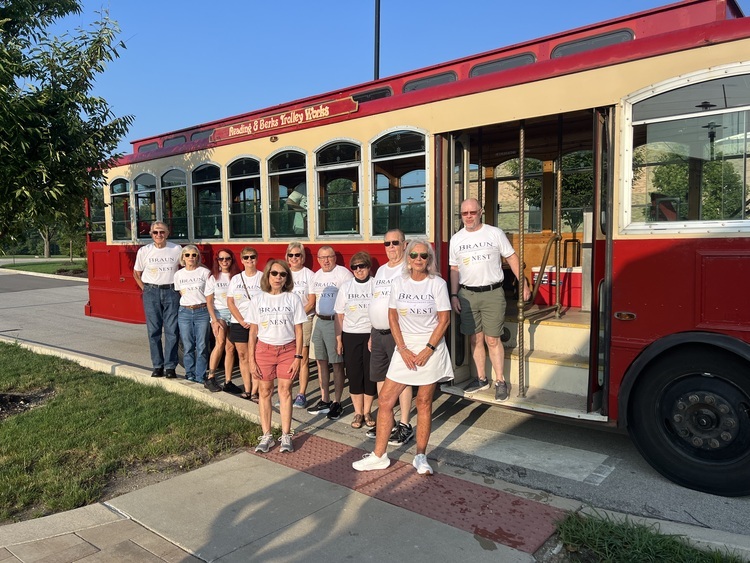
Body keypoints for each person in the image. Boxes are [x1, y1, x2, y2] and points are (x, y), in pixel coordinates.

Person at [353, 240, 452, 475]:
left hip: (430, 347)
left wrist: (428, 349)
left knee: (424, 402)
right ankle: (379, 455)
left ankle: (420, 456)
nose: (419, 259)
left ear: (429, 260)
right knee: (386, 400)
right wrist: (403, 348)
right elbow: (393, 317)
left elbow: (444, 319)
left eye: (424, 256)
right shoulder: (399, 282)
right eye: (414, 255)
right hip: (404, 347)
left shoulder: (437, 284)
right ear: (408, 258)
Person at [449, 198, 530, 401]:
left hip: (492, 292)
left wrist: (524, 283)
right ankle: (481, 379)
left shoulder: (494, 233)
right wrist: (453, 294)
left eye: (472, 212)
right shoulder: (456, 239)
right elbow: (454, 269)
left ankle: (500, 381)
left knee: (492, 339)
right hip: (467, 294)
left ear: (481, 212)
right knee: (475, 338)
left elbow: (511, 257)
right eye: (464, 213)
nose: (468, 217)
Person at [247, 260, 307, 453]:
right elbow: (253, 332)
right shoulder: (258, 299)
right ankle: (266, 435)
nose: (278, 278)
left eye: (282, 274)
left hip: (288, 350)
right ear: (267, 275)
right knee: (264, 392)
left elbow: (299, 330)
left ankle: (286, 434)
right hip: (264, 350)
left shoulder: (293, 299)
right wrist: (251, 359)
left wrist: (298, 357)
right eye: (274, 273)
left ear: (287, 278)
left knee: (285, 390)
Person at [367, 229, 414, 445]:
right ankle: (389, 421)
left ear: (404, 245)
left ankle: (405, 424)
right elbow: (375, 302)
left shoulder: (409, 269)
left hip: (399, 333)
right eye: (387, 243)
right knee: (379, 377)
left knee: (402, 378)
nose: (391, 247)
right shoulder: (382, 271)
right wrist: (371, 331)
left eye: (395, 242)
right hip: (378, 332)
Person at [307, 245, 353, 419]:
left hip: (335, 322)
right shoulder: (316, 276)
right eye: (322, 257)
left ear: (334, 258)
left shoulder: (343, 274)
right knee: (321, 361)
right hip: (319, 321)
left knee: (337, 363)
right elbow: (312, 300)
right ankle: (325, 399)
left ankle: (337, 402)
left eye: (329, 257)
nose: (326, 260)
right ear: (318, 259)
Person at [133, 221, 182, 378]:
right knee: (153, 331)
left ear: (167, 233)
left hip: (172, 291)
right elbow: (136, 273)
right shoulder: (144, 251)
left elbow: (186, 267)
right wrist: (145, 289)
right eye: (155, 232)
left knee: (172, 331)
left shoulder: (176, 249)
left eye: (162, 232)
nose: (159, 235)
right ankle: (157, 365)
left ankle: (170, 367)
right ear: (151, 234)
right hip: (151, 291)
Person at [334, 251, 376, 429]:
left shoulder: (376, 285)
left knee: (369, 375)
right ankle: (358, 413)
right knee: (354, 374)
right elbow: (339, 315)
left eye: (362, 266)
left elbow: (382, 313)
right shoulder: (346, 287)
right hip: (351, 335)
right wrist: (339, 340)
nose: (358, 270)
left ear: (368, 267)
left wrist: (374, 335)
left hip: (371, 334)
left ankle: (368, 411)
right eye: (355, 267)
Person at [227, 246, 263, 401]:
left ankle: (255, 391)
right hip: (238, 322)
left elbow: (267, 300)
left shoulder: (263, 277)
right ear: (241, 260)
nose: (250, 260)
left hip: (258, 324)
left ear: (256, 258)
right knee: (243, 356)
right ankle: (247, 388)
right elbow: (230, 302)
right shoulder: (236, 279)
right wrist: (241, 320)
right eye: (246, 257)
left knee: (256, 356)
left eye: (252, 257)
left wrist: (254, 320)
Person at [173, 245, 211, 384]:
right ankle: (190, 373)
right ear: (183, 257)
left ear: (198, 257)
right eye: (187, 255)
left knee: (201, 345)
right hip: (185, 312)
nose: (191, 258)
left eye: (194, 255)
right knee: (188, 345)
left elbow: (209, 294)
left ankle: (200, 375)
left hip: (202, 311)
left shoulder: (204, 273)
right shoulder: (178, 274)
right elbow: (180, 292)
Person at [205, 248, 241, 394]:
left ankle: (228, 381)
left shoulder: (237, 277)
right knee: (219, 343)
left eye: (227, 258)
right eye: (221, 259)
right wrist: (214, 320)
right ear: (217, 261)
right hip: (219, 313)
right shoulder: (213, 277)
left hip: (234, 313)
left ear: (232, 260)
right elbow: (209, 302)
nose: (225, 261)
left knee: (230, 348)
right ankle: (211, 377)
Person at [286, 242, 315, 408]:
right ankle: (287, 392)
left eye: (297, 255)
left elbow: (311, 302)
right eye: (291, 255)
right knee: (287, 358)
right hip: (285, 322)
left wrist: (296, 316)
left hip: (303, 320)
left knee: (301, 358)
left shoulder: (309, 275)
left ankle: (301, 394)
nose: (294, 258)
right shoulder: (283, 273)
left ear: (302, 257)